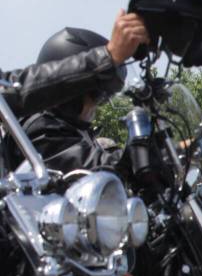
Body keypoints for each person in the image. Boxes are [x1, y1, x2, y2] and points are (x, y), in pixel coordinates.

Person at [2, 13, 148, 172]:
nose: (99, 105)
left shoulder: (80, 132)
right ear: (69, 97)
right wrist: (106, 58)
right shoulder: (42, 129)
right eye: (98, 96)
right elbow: (90, 168)